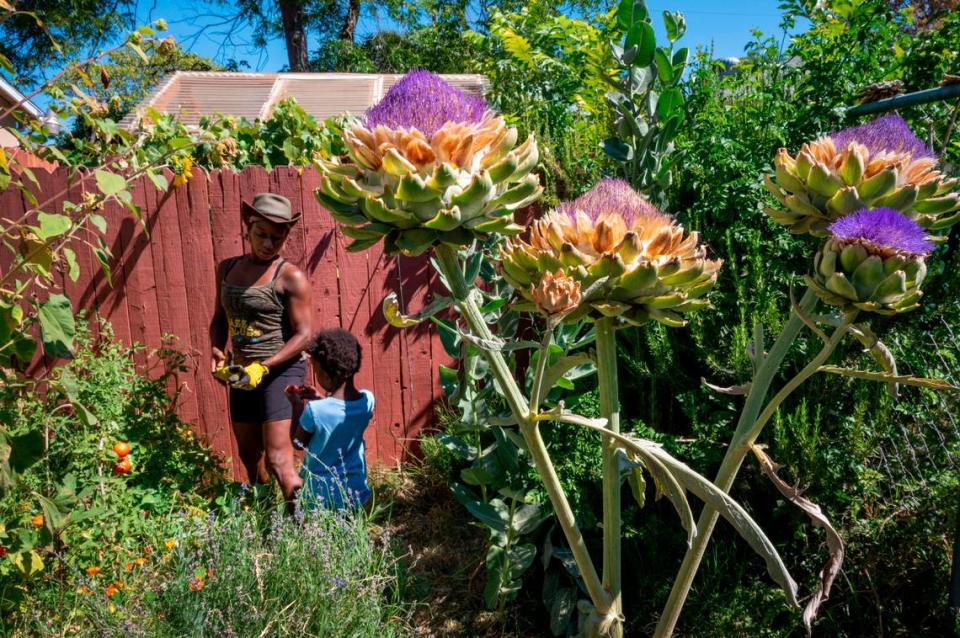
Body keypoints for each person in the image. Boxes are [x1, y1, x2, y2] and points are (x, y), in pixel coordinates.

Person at [209, 192, 313, 511]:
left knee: (279, 458)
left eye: (277, 238)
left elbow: (305, 335)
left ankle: (303, 531)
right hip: (243, 372)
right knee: (248, 453)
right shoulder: (226, 269)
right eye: (261, 235)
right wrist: (216, 352)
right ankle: (267, 515)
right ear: (248, 228)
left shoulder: (290, 277)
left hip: (282, 371)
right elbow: (219, 318)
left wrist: (264, 367)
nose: (268, 244)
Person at [285, 329, 374, 510]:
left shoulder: (314, 411)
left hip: (320, 498)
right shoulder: (367, 400)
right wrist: (320, 399)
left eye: (316, 370)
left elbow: (297, 442)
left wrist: (296, 406)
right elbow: (339, 414)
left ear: (326, 375)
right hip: (357, 495)